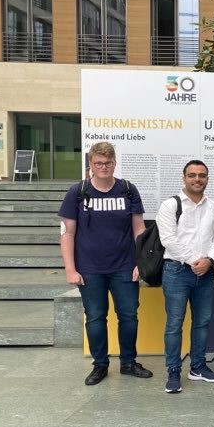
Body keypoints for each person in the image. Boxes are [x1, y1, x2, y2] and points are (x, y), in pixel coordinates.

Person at [58, 141, 152, 386]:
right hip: (89, 269)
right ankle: (100, 365)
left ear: (114, 163)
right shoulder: (77, 192)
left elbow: (139, 230)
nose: (103, 167)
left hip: (124, 267)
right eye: (98, 163)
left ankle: (128, 362)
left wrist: (141, 263)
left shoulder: (128, 190)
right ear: (90, 164)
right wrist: (70, 268)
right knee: (96, 317)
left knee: (129, 316)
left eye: (108, 163)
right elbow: (67, 233)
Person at [158, 160, 214, 394]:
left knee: (202, 322)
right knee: (174, 324)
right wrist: (193, 261)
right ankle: (173, 371)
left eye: (202, 175)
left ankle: (197, 367)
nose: (197, 179)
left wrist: (209, 260)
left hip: (205, 273)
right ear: (184, 178)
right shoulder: (170, 205)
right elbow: (168, 239)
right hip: (177, 272)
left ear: (207, 178)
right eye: (192, 175)